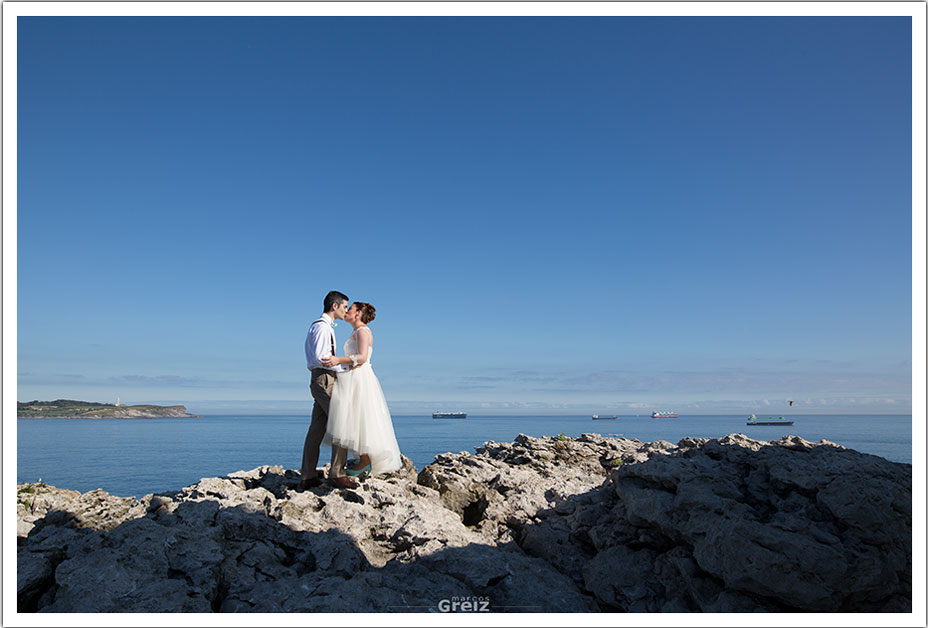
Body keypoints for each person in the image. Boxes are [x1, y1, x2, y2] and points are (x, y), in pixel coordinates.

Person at [321, 301, 402, 477]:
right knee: (356, 417)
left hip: (359, 377)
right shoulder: (356, 331)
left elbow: (362, 357)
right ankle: (362, 459)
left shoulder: (363, 331)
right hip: (353, 376)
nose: (347, 311)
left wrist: (337, 360)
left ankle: (365, 461)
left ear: (357, 314)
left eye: (350, 309)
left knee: (361, 416)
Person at [299, 290, 359, 490]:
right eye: (344, 307)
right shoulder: (323, 328)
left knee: (317, 428)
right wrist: (344, 366)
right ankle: (337, 473)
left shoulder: (317, 326)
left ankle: (307, 476)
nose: (345, 311)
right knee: (342, 422)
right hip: (324, 380)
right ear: (334, 306)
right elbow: (320, 358)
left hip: (320, 380)